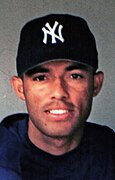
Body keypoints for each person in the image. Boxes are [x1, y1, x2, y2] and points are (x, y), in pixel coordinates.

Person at [0, 14, 115, 179]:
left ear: (96, 84)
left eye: (74, 76)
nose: (59, 92)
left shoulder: (109, 151)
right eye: (41, 78)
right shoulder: (4, 159)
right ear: (20, 88)